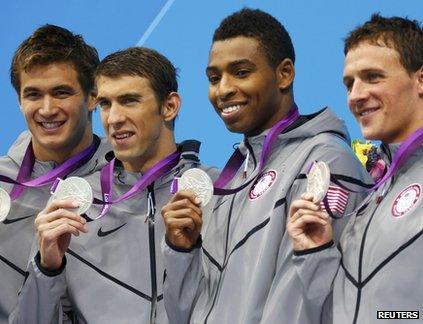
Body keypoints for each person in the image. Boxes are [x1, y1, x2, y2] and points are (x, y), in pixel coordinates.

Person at [161, 8, 372, 324]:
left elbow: (321, 302)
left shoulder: (323, 161)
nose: (223, 89)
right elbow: (185, 314)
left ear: (284, 73)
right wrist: (180, 252)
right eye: (214, 78)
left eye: (241, 72)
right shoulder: (229, 182)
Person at [10, 47, 218, 324]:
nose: (114, 118)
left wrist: (184, 253)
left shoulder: (220, 194)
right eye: (106, 104)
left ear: (169, 106)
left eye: (129, 100)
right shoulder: (73, 206)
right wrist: (46, 269)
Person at [287, 13, 423, 324]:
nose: (356, 96)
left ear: (420, 80)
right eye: (350, 83)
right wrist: (316, 254)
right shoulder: (371, 197)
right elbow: (343, 308)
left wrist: (395, 317)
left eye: (373, 77)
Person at [0, 24, 109, 322]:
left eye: (61, 92)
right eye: (33, 94)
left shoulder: (133, 180)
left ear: (92, 97)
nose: (47, 109)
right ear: (20, 101)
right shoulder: (3, 184)